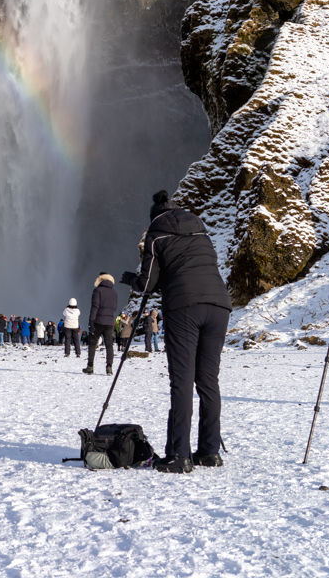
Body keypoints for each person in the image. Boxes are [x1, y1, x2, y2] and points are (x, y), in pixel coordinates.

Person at [123, 190, 234, 473]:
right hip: (219, 306)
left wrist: (130, 281)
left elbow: (148, 283)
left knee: (182, 381)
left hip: (185, 307)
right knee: (208, 381)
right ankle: (209, 452)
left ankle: (179, 456)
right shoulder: (201, 231)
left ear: (154, 218)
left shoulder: (156, 234)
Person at [84, 274, 118, 375]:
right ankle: (109, 367)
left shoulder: (98, 291)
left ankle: (90, 367)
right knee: (109, 345)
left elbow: (95, 306)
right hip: (109, 322)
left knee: (92, 343)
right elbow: (114, 308)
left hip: (98, 321)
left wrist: (91, 321)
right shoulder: (114, 292)